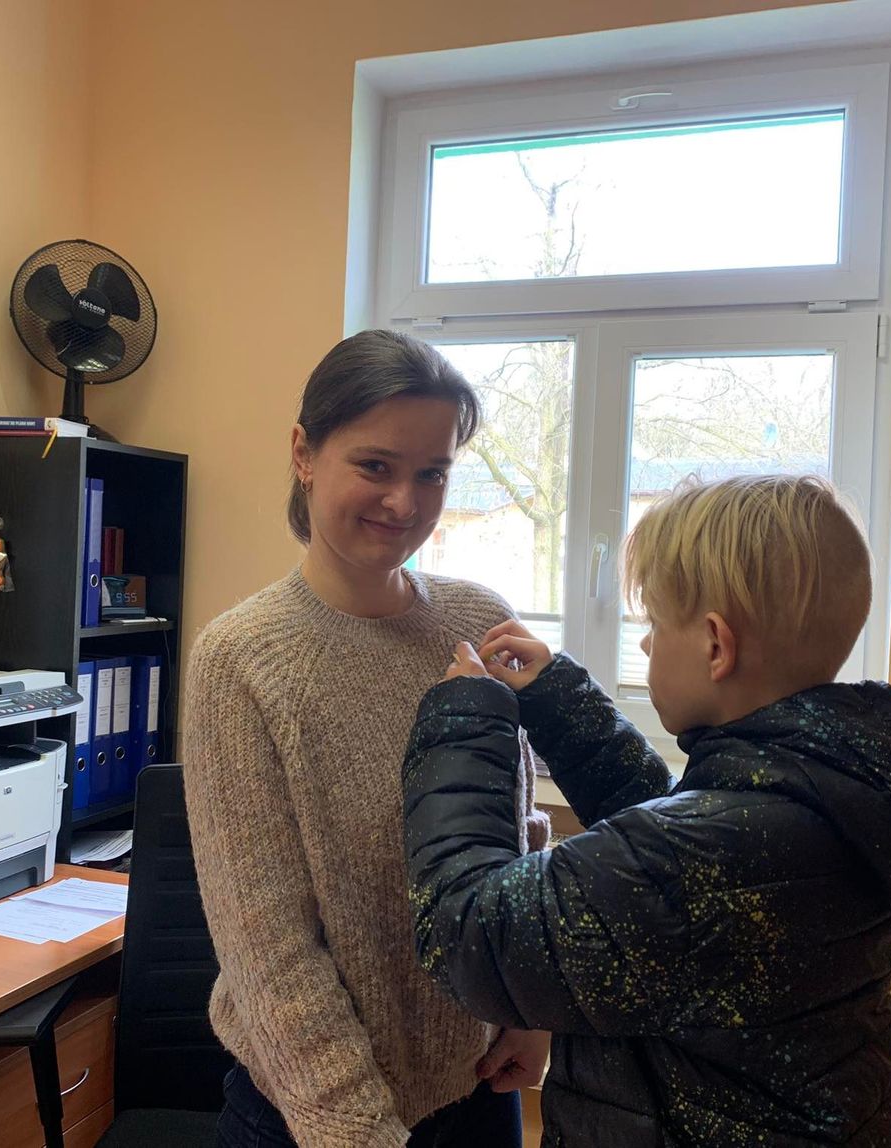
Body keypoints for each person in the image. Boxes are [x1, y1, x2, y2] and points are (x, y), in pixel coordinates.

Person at [401, 473, 891, 1146]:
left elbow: (468, 933)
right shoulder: (830, 793)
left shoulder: (706, 857)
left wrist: (464, 722)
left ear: (714, 646)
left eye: (653, 625)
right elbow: (676, 839)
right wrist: (560, 701)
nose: (645, 645)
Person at [185, 329, 551, 1148]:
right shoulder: (241, 660)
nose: (404, 503)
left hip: (479, 1088)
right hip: (311, 1116)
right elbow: (267, 947)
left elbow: (517, 845)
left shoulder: (477, 619)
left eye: (432, 474)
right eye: (376, 466)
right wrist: (355, 1130)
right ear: (304, 454)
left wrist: (528, 1011)